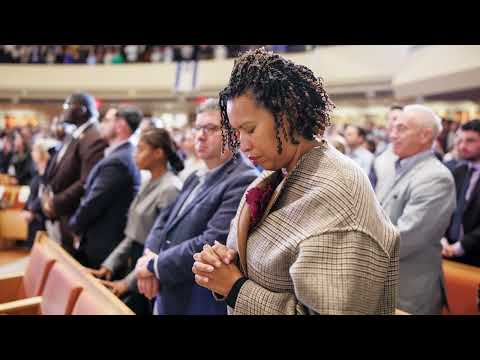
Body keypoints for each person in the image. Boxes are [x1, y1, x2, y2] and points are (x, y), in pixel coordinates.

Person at [191, 48, 399, 315]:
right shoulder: (277, 174)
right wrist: (227, 261)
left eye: (250, 129)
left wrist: (235, 287)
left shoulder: (338, 191)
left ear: (286, 115)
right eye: (236, 131)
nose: (242, 144)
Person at [134, 98, 259, 315]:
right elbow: (165, 219)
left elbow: (210, 242)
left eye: (210, 128)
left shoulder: (244, 180)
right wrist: (149, 255)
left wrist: (154, 266)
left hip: (197, 301)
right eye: (198, 128)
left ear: (234, 133)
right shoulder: (194, 175)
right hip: (170, 295)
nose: (200, 135)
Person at [91, 128, 184, 314]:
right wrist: (109, 264)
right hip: (136, 261)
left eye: (141, 149)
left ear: (158, 153)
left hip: (152, 270)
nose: (135, 155)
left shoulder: (170, 188)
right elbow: (133, 234)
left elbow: (163, 245)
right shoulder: (147, 182)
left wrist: (128, 281)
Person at [375, 104, 456, 314]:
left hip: (408, 292)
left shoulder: (436, 178)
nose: (392, 135)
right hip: (381, 284)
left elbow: (405, 239)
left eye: (401, 128)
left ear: (425, 135)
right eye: (392, 127)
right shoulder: (392, 166)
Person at [68, 106, 141, 269]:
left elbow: (94, 202)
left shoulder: (119, 160)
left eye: (106, 120)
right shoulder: (121, 155)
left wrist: (74, 225)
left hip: (103, 244)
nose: (101, 124)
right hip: (104, 240)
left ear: (120, 125)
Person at [41, 93, 108, 254]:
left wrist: (55, 202)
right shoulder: (76, 133)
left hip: (71, 213)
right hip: (61, 212)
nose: (63, 111)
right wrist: (46, 194)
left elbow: (87, 181)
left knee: (70, 268)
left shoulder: (94, 137)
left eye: (67, 107)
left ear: (82, 110)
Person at [443, 119, 480, 267]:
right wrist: (442, 238)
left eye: (470, 141)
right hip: (448, 252)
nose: (462, 145)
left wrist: (462, 246)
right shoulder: (458, 171)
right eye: (460, 140)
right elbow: (445, 210)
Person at [19, 139, 51, 247]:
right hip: (33, 214)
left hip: (42, 215)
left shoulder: (48, 170)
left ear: (41, 152)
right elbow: (32, 193)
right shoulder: (36, 170)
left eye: (34, 151)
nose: (32, 153)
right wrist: (25, 209)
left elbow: (44, 193)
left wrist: (32, 210)